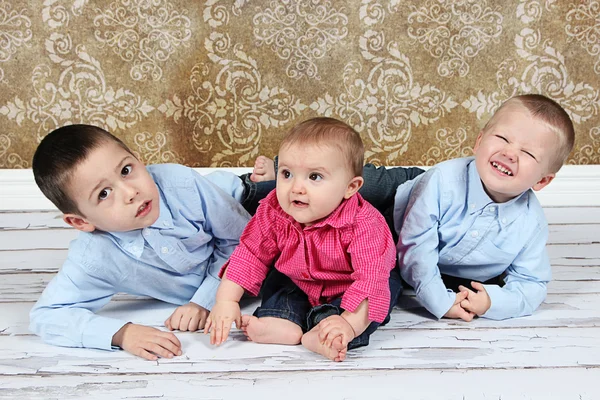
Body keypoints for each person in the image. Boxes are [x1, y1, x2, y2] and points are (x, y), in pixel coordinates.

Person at [29, 124, 254, 360]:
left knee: (283, 195)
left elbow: (245, 241)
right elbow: (46, 315)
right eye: (104, 193)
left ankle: (269, 172)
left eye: (126, 170)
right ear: (80, 222)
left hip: (241, 201)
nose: (130, 192)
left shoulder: (180, 183)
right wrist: (121, 334)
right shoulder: (94, 257)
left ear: (138, 158)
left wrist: (204, 300)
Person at [204, 117, 400, 362]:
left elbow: (370, 279)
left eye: (314, 177)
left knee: (375, 301)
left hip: (351, 284)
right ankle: (282, 322)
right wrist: (226, 300)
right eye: (287, 173)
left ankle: (329, 333)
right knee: (281, 287)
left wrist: (348, 324)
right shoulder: (274, 210)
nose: (296, 187)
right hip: (299, 279)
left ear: (350, 187)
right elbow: (251, 253)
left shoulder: (365, 223)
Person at [393, 94, 575, 321]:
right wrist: (439, 301)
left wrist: (492, 302)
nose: (509, 153)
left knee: (382, 289)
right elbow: (416, 246)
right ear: (479, 141)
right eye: (502, 138)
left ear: (542, 181)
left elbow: (531, 283)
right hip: (398, 212)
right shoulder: (442, 181)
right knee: (358, 180)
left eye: (527, 153)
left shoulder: (531, 224)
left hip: (441, 267)